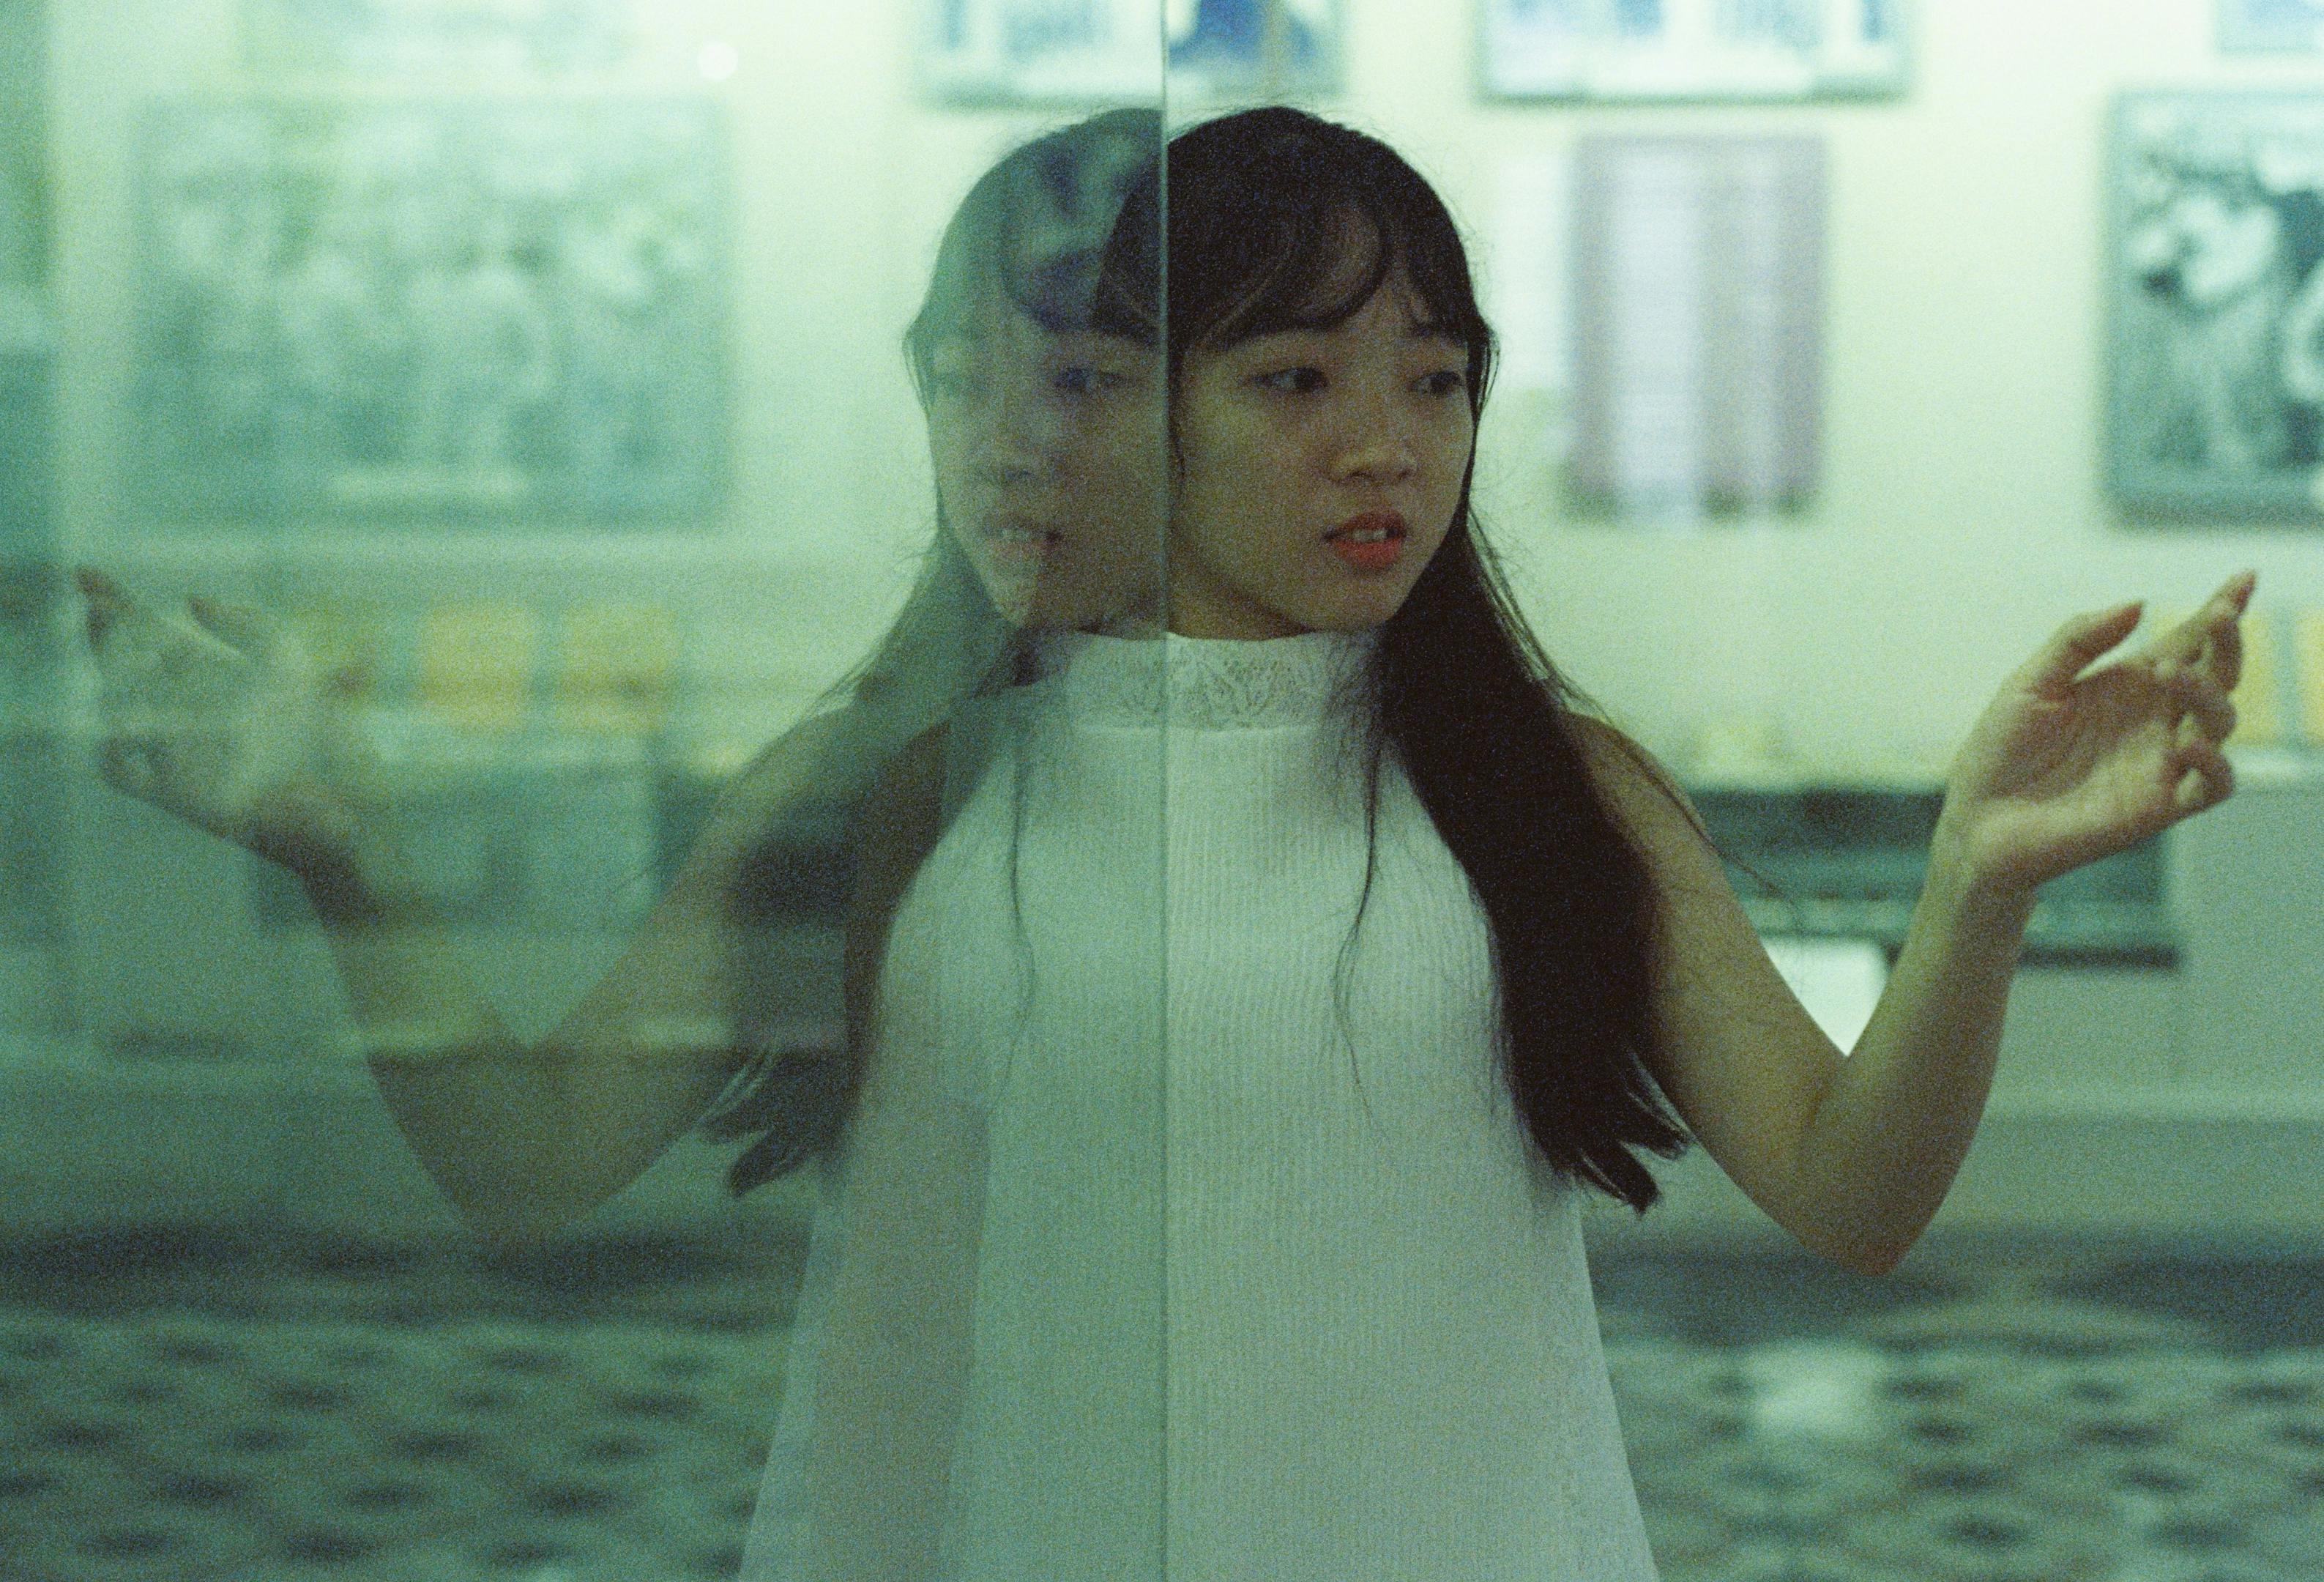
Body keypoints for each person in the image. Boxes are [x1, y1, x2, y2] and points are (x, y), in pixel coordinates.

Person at [76, 105, 2251, 1580]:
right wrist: (340, 851)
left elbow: (1856, 1192)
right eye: (1298, 382)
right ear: (1151, 411)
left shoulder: (1542, 785)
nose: (1388, 445)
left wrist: (1980, 884)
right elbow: (530, 1157)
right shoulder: (909, 784)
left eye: (1437, 374)